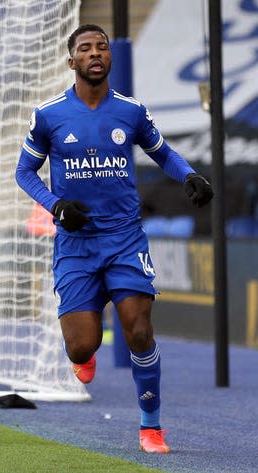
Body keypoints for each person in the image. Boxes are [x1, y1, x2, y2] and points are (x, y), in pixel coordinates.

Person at [15, 24, 213, 454]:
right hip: (76, 244)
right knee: (81, 343)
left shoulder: (131, 111)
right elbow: (24, 172)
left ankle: (151, 427)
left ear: (110, 58)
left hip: (125, 238)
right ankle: (82, 356)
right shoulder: (48, 115)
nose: (95, 53)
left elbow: (163, 152)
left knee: (139, 332)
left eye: (101, 47)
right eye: (85, 48)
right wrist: (55, 205)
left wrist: (190, 176)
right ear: (72, 62)